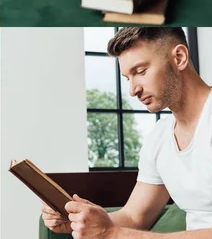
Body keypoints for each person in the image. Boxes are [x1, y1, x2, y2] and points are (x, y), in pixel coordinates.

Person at [41, 27, 212, 238]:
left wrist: (114, 234)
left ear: (179, 57)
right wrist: (82, 220)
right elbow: (135, 217)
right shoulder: (159, 138)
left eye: (140, 71)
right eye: (127, 78)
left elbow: (123, 231)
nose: (133, 90)